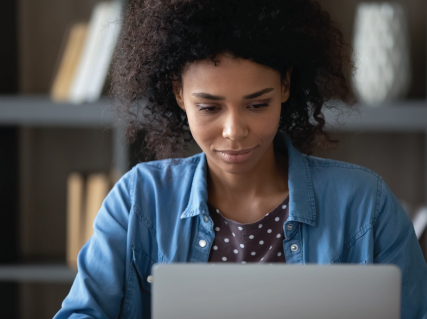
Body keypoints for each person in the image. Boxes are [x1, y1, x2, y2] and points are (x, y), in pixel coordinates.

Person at [54, 0, 427, 318]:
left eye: (257, 104)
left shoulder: (366, 205)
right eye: (209, 107)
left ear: (285, 85)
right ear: (178, 93)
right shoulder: (138, 201)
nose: (234, 130)